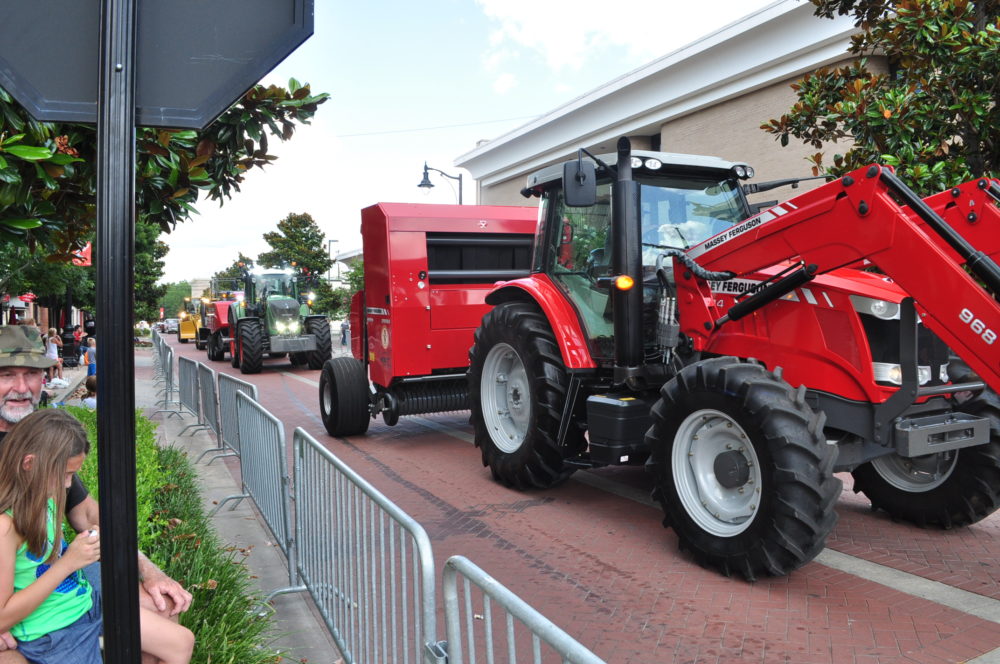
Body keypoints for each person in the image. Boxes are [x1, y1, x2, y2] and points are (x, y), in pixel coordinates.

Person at [0, 326, 192, 664]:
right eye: (6, 375)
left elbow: (88, 517)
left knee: (159, 607)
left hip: (56, 576)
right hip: (25, 593)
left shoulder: (44, 440)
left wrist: (148, 569)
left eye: (30, 374)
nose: (20, 387)